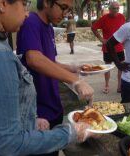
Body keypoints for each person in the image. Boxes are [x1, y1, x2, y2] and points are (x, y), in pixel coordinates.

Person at [0, 0, 94, 155]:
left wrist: (29, 122)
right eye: (24, 4)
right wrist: (72, 132)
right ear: (2, 4)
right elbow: (9, 144)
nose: (27, 13)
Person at [16, 0, 94, 155]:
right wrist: (76, 81)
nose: (65, 13)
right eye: (63, 7)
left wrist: (73, 69)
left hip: (53, 108)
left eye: (68, 10)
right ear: (46, 2)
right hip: (38, 114)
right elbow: (35, 59)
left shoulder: (49, 28)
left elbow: (49, 62)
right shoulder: (31, 22)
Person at [91, 1, 125, 94]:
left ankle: (119, 86)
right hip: (108, 48)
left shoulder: (122, 17)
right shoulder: (104, 18)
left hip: (119, 48)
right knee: (107, 68)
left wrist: (125, 42)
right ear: (109, 9)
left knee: (120, 67)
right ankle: (106, 85)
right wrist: (101, 39)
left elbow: (124, 30)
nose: (116, 10)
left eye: (117, 8)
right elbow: (93, 28)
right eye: (114, 8)